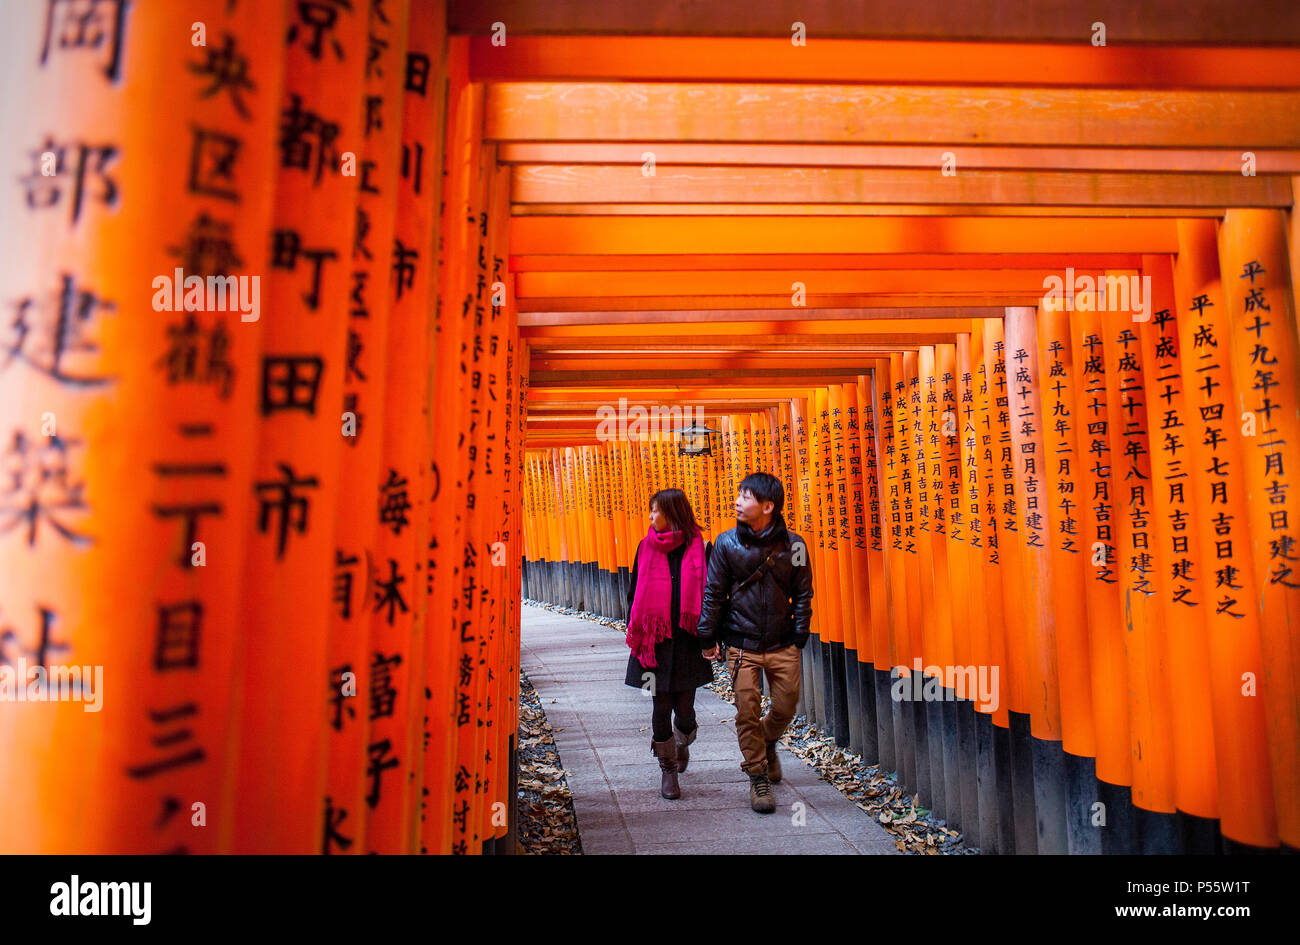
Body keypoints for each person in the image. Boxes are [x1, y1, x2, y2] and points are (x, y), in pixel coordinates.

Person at [696, 471, 813, 813]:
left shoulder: (795, 546)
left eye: (745, 497)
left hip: (782, 642)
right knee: (746, 711)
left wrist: (800, 633)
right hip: (741, 642)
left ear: (768, 506)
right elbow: (714, 593)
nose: (737, 502)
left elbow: (803, 592)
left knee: (786, 706)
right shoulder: (726, 543)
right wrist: (708, 636)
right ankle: (757, 775)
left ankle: (768, 740)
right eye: (739, 495)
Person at [623, 488, 717, 800]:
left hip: (688, 641)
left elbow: (712, 597)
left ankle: (681, 742)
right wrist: (636, 633)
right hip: (655, 643)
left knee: (685, 709)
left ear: (672, 512)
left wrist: (710, 637)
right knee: (660, 706)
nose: (650, 517)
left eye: (655, 511)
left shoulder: (701, 547)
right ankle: (668, 770)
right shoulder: (645, 547)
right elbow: (633, 591)